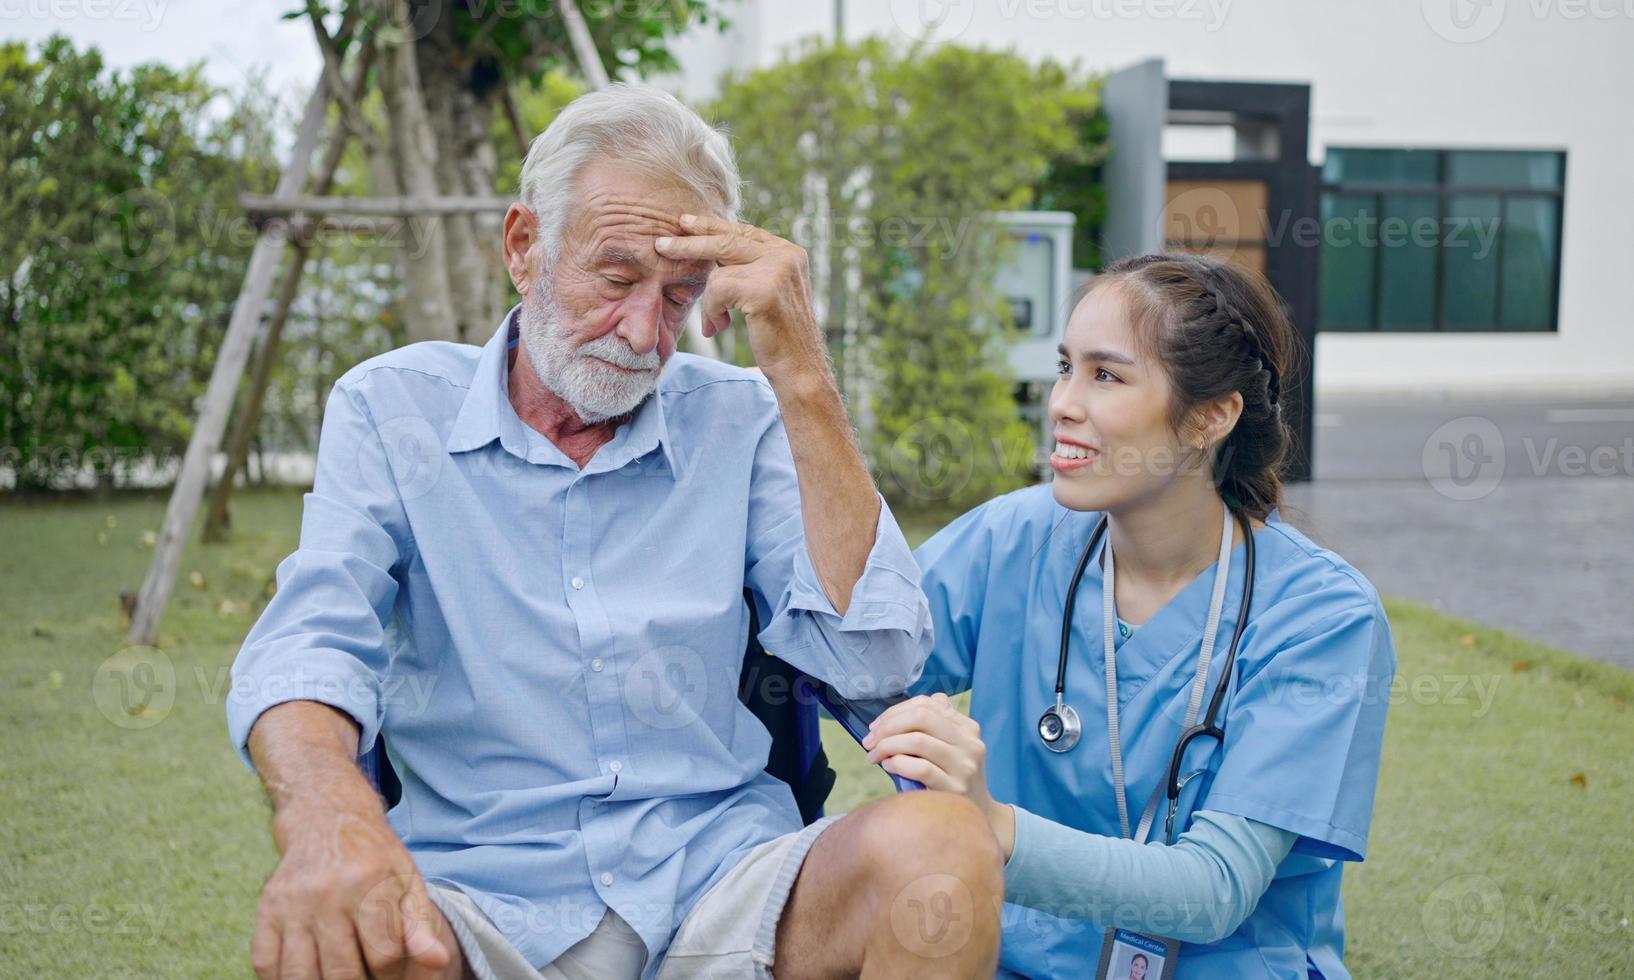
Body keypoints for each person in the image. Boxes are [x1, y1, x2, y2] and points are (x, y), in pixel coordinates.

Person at [227, 84, 1002, 980]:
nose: (643, 333)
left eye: (680, 295)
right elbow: (310, 643)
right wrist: (330, 820)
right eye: (617, 277)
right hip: (484, 900)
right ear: (525, 246)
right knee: (342, 945)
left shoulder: (743, 417)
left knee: (941, 848)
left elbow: (877, 665)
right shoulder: (390, 407)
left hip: (724, 885)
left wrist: (801, 374)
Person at [863, 253, 1396, 977]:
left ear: (1211, 416)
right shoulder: (1015, 538)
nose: (1062, 403)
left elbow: (1214, 891)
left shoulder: (1322, 617)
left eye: (1106, 375)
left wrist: (991, 826)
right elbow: (852, 655)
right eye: (1065, 367)